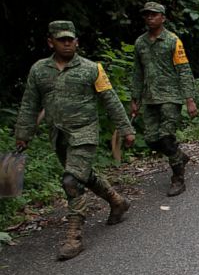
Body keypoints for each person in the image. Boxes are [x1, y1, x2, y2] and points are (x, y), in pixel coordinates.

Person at [15, 21, 136, 260]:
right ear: (51, 42)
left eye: (71, 39)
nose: (67, 43)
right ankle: (117, 201)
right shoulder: (39, 71)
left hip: (85, 132)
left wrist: (125, 129)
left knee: (71, 180)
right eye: (62, 39)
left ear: (77, 41)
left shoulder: (92, 68)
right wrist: (23, 133)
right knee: (82, 174)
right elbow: (30, 104)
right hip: (59, 134)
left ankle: (74, 237)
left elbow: (110, 100)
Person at [131, 1, 198, 196]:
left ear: (163, 18)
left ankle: (178, 178)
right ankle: (179, 156)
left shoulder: (172, 41)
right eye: (147, 15)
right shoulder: (140, 43)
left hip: (171, 96)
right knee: (151, 140)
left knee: (166, 138)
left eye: (154, 14)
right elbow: (137, 72)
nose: (150, 18)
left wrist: (189, 99)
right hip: (150, 98)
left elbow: (184, 70)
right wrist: (134, 98)